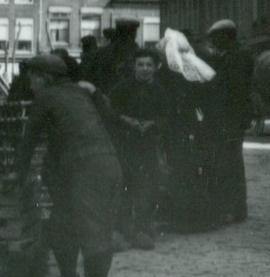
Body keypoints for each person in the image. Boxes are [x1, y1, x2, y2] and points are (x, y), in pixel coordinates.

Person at [18, 54, 122, 277]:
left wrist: (16, 176)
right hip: (100, 165)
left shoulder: (47, 96)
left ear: (44, 78)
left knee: (93, 233)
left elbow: (29, 139)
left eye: (32, 77)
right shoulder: (78, 94)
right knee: (61, 223)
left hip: (89, 168)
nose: (29, 82)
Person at [109, 48, 170, 250]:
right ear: (134, 67)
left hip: (149, 145)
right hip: (126, 145)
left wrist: (153, 124)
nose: (145, 69)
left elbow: (167, 116)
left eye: (149, 65)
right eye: (140, 64)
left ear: (156, 67)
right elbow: (111, 112)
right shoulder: (122, 88)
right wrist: (129, 120)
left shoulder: (161, 90)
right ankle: (122, 230)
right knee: (124, 187)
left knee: (147, 187)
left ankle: (142, 229)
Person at [156, 28, 216, 233]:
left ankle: (184, 218)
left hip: (176, 125)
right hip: (193, 123)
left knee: (179, 170)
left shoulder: (168, 72)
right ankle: (198, 216)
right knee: (193, 170)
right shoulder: (194, 68)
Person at [203, 19, 255, 226]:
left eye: (216, 38)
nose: (214, 42)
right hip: (232, 117)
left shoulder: (237, 58)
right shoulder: (234, 55)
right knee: (231, 161)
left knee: (229, 162)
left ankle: (234, 209)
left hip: (231, 118)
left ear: (226, 36)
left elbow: (233, 91)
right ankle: (236, 208)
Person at [83, 17, 140, 93]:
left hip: (105, 96)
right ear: (134, 34)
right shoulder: (137, 53)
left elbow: (90, 78)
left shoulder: (101, 53)